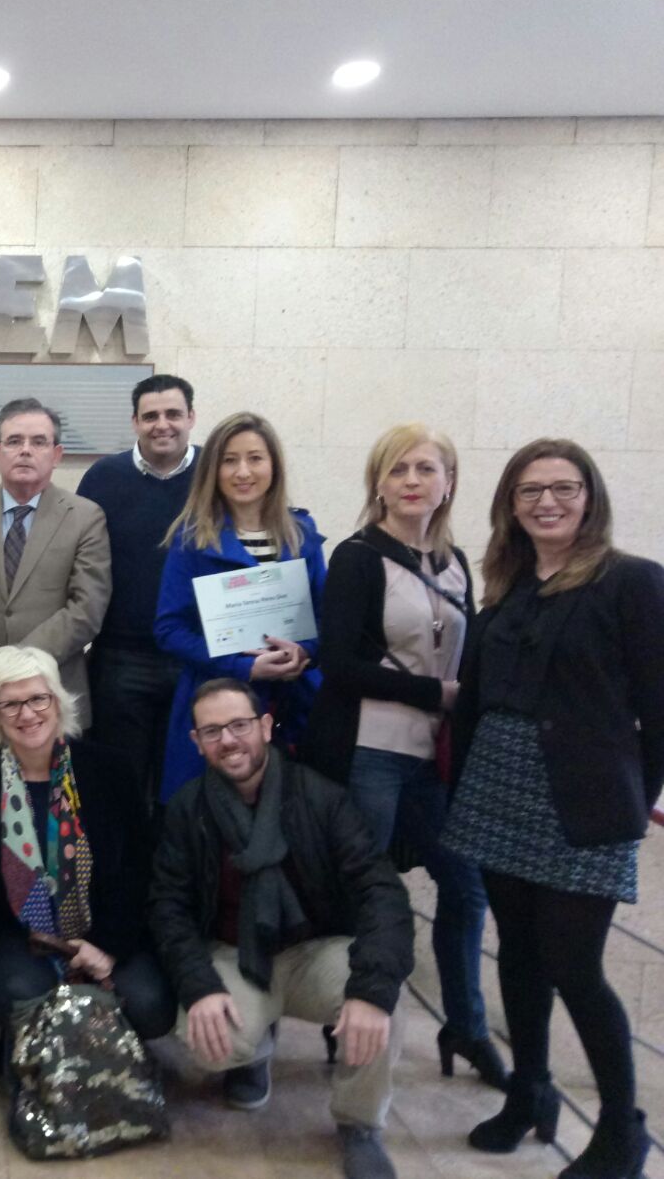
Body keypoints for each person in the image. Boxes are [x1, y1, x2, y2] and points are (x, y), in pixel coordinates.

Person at [442, 439, 664, 1178]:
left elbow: (658, 711)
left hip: (584, 799)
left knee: (574, 963)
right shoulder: (504, 584)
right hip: (497, 785)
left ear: (589, 496)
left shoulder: (631, 582)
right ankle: (527, 1092)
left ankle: (620, 1129)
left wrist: (635, 802)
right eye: (528, 490)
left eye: (562, 488)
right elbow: (474, 696)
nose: (545, 502)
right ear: (509, 504)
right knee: (519, 952)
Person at [300, 425, 502, 1088]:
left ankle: (466, 1025)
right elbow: (337, 662)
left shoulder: (454, 561)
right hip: (371, 751)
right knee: (366, 891)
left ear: (448, 481)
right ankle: (350, 1020)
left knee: (464, 885)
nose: (411, 480)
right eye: (397, 470)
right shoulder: (359, 557)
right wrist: (433, 691)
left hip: (434, 760)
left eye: (425, 469)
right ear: (378, 484)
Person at [149, 678, 414, 1179]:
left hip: (315, 950)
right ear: (196, 743)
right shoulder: (188, 809)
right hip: (233, 952)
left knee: (386, 1003)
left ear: (266, 726)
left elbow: (383, 893)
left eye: (239, 725)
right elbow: (169, 908)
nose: (228, 740)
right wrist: (200, 986)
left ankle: (359, 1123)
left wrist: (371, 988)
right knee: (210, 1043)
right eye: (212, 731)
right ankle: (256, 1048)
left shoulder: (321, 798)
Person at [0, 645, 174, 1044]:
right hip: (23, 936)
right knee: (18, 996)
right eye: (10, 705)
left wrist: (108, 949)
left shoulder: (111, 770)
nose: (27, 714)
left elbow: (139, 869)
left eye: (37, 698)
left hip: (104, 927)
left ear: (58, 701)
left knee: (149, 1007)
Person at [154, 411, 325, 803]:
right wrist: (243, 666)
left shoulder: (303, 536)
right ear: (213, 470)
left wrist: (303, 653)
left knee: (291, 817)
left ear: (274, 466)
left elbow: (324, 619)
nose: (243, 471)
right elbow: (169, 630)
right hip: (218, 700)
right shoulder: (191, 540)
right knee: (211, 822)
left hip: (292, 703)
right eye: (230, 460)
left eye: (255, 458)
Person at [0, 398, 110, 772]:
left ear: (57, 453)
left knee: (58, 820)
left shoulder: (85, 518)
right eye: (14, 441)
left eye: (38, 441)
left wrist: (17, 667)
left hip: (54, 698)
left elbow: (87, 609)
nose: (26, 450)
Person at [77, 373, 201, 804]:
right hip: (120, 659)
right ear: (134, 422)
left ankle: (180, 872)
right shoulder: (102, 478)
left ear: (192, 417)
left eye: (172, 414)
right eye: (150, 416)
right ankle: (127, 873)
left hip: (196, 657)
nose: (161, 424)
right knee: (121, 785)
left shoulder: (215, 474)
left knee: (188, 788)